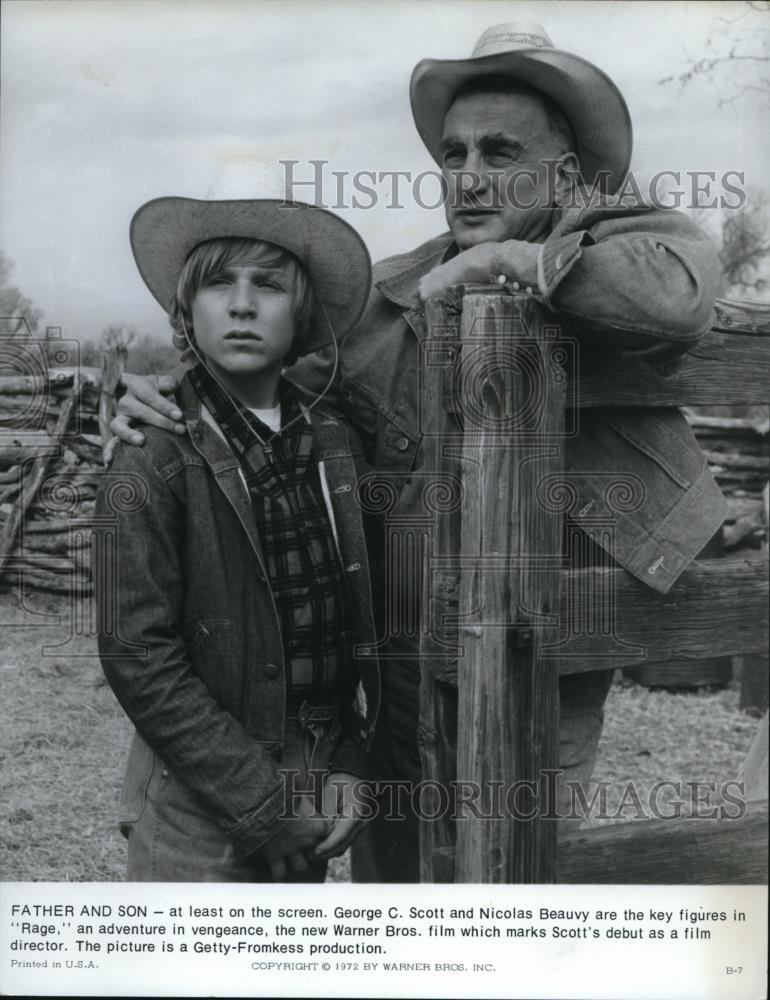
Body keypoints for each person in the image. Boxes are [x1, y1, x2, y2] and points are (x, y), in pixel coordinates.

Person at [108, 23, 726, 882]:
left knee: (520, 870)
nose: (468, 175)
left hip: (550, 651)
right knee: (398, 879)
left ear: (569, 171)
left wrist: (507, 263)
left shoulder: (632, 241)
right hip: (407, 645)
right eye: (453, 152)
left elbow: (679, 295)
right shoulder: (393, 294)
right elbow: (257, 363)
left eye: (501, 150)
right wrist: (157, 389)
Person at [97, 195, 380, 882]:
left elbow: (360, 630)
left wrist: (346, 764)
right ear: (186, 312)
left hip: (315, 777)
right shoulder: (153, 453)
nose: (243, 304)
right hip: (201, 792)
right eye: (220, 283)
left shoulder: (336, 445)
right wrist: (262, 804)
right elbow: (138, 654)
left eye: (270, 285)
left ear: (301, 313)